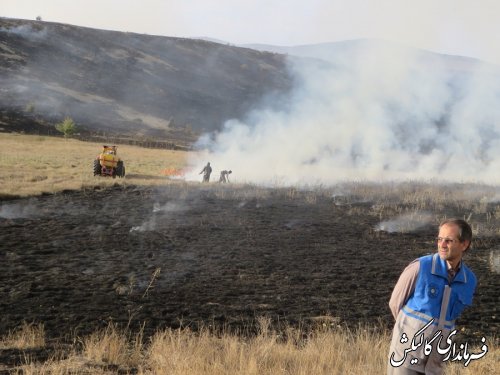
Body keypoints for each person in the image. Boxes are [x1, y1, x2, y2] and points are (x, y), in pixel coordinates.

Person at [387, 218, 477, 375]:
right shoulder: (420, 267)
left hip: (435, 363)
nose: (442, 245)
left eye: (448, 240)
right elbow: (395, 304)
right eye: (440, 239)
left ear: (464, 244)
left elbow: (452, 318)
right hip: (406, 356)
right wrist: (410, 333)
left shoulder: (469, 280)